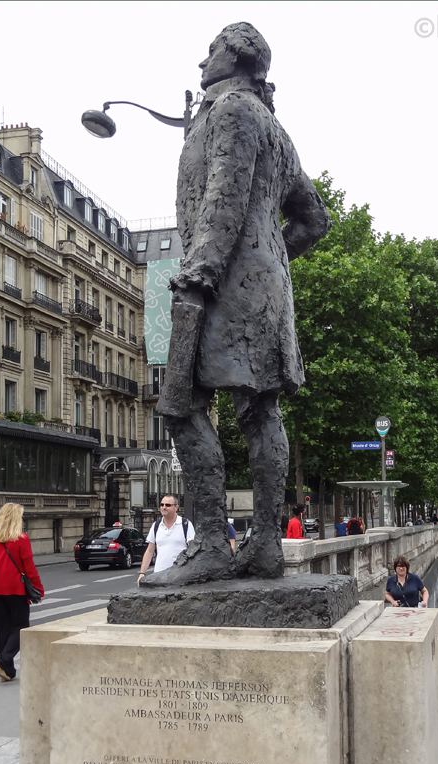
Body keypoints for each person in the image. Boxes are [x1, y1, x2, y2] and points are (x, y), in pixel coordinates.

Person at [151, 22, 331, 586]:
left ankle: (209, 543)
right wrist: (271, 261)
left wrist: (202, 274)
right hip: (263, 288)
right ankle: (266, 546)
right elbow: (314, 220)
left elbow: (223, 198)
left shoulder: (230, 110)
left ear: (236, 57)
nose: (202, 61)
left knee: (180, 405)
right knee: (260, 412)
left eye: (211, 51)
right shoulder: (274, 127)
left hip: (219, 280)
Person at [0, 503, 44, 682]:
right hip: (15, 589)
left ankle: (7, 670)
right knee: (21, 627)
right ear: (16, 519)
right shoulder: (21, 539)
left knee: (2, 629)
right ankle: (3, 659)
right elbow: (29, 567)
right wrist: (38, 587)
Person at [138, 494, 196, 584]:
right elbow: (150, 551)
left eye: (168, 505)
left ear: (176, 507)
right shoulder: (156, 525)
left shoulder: (186, 524)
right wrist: (142, 573)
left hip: (179, 575)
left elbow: (192, 550)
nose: (164, 507)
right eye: (162, 505)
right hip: (159, 575)